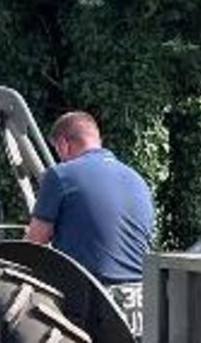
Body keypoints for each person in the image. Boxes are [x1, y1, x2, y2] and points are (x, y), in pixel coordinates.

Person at [25, 111, 156, 285]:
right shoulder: (137, 179)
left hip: (91, 294)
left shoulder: (60, 175)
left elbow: (34, 246)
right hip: (141, 293)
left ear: (63, 145)